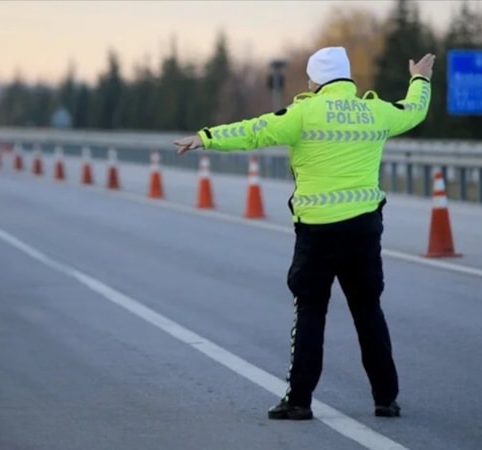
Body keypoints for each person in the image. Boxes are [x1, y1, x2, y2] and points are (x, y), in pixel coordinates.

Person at [174, 46, 434, 420]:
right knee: (368, 311)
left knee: (311, 312)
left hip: (318, 232)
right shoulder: (374, 110)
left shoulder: (303, 113)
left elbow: (254, 131)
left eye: (310, 77)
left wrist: (207, 137)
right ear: (345, 76)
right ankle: (385, 398)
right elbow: (414, 110)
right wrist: (419, 79)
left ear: (316, 80)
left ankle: (299, 401)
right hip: (364, 228)